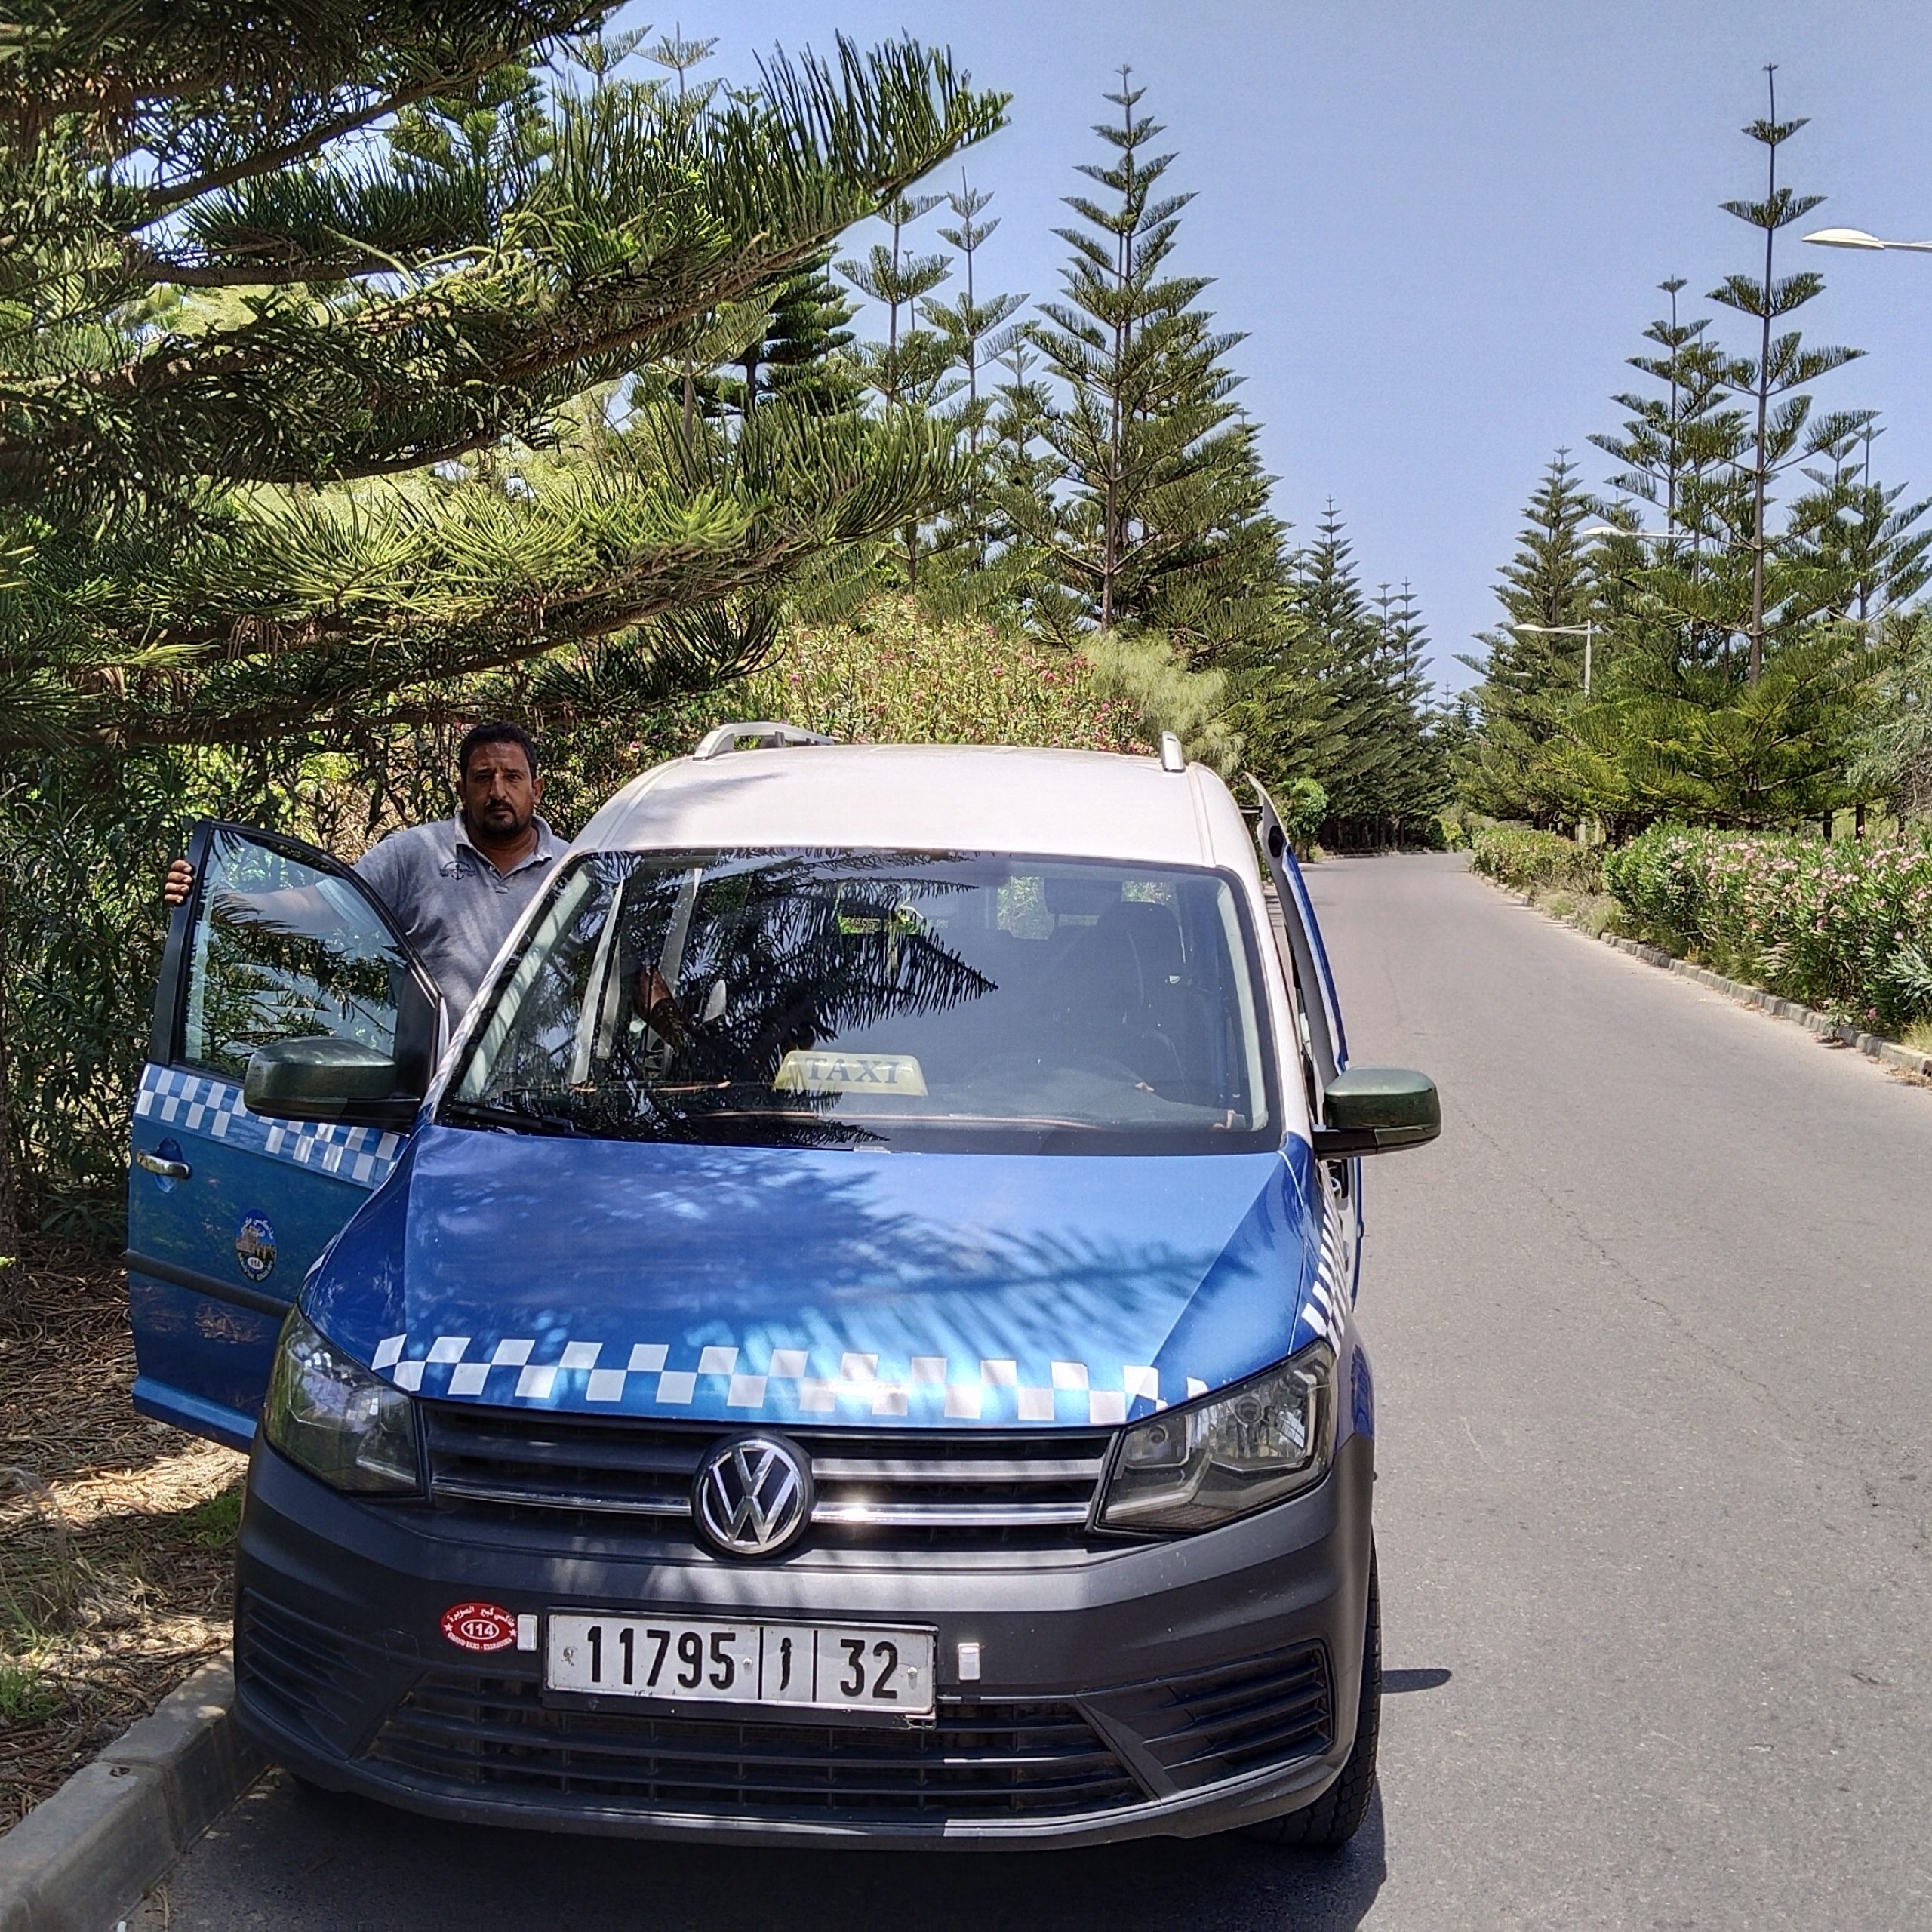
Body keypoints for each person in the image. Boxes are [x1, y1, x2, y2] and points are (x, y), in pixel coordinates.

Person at [165, 722, 565, 1017]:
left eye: (512, 777)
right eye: (483, 778)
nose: (497, 791)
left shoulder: (577, 868)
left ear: (537, 788)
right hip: (436, 1102)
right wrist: (212, 899)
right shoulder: (414, 855)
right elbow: (320, 907)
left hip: (549, 1105)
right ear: (461, 790)